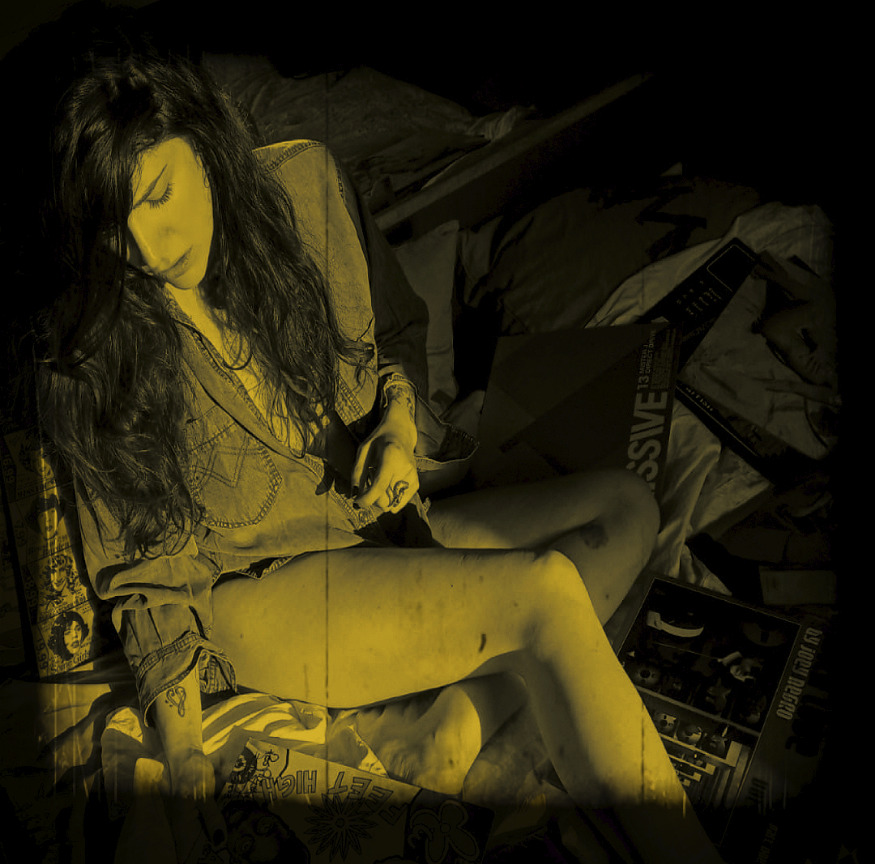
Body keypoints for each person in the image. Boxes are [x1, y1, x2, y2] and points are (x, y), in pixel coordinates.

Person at [11, 13, 722, 864]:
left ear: (200, 136)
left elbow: (387, 337)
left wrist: (396, 425)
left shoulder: (306, 188)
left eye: (159, 195)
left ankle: (449, 731)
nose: (148, 249)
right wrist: (186, 750)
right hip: (259, 593)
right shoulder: (87, 344)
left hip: (370, 528)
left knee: (626, 506)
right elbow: (145, 571)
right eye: (111, 226)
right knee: (545, 594)